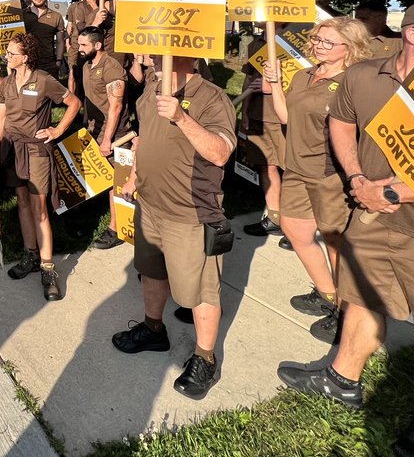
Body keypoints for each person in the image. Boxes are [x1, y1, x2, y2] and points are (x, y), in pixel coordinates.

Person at [279, 0, 414, 457]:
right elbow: (341, 122)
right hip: (373, 217)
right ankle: (341, 379)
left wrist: (395, 193)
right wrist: (357, 177)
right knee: (361, 296)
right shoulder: (364, 76)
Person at [112, 54, 236, 400]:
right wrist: (135, 175)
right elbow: (145, 136)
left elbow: (221, 153)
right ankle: (153, 329)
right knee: (151, 271)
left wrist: (181, 116)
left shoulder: (212, 97)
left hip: (190, 212)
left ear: (182, 51)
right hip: (151, 204)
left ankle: (205, 358)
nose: (144, 54)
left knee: (200, 290)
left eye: (152, 47)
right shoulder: (152, 85)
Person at [262, 16, 371, 343]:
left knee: (335, 240)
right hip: (295, 168)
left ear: (349, 47)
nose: (319, 45)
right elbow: (286, 117)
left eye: (328, 42)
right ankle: (328, 294)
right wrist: (278, 84)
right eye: (318, 40)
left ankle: (345, 309)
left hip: (329, 173)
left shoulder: (354, 81)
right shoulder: (305, 74)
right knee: (295, 229)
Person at [0, 32, 81, 301]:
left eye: (11, 53)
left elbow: (74, 103)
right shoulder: (7, 83)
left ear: (25, 57)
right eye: (7, 53)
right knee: (21, 202)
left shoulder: (43, 80)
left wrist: (57, 130)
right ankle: (30, 255)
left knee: (39, 207)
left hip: (37, 151)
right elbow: (1, 117)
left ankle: (48, 267)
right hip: (13, 149)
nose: (7, 57)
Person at [78, 27, 144, 251]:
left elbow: (115, 107)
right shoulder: (87, 65)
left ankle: (116, 229)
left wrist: (107, 140)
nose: (80, 49)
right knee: (99, 176)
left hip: (115, 135)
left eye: (84, 45)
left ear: (97, 45)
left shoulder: (112, 67)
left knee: (117, 184)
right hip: (93, 130)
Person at [240, 32, 287, 242]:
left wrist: (274, 87)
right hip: (260, 115)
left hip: (287, 117)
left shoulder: (296, 42)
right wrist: (246, 112)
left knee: (294, 171)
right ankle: (275, 218)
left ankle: (297, 223)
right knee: (266, 166)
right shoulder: (255, 44)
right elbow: (249, 80)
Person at [22, 0, 65, 79]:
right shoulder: (21, 15)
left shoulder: (56, 16)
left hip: (48, 64)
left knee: (50, 93)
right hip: (26, 62)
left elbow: (60, 41)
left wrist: (58, 61)